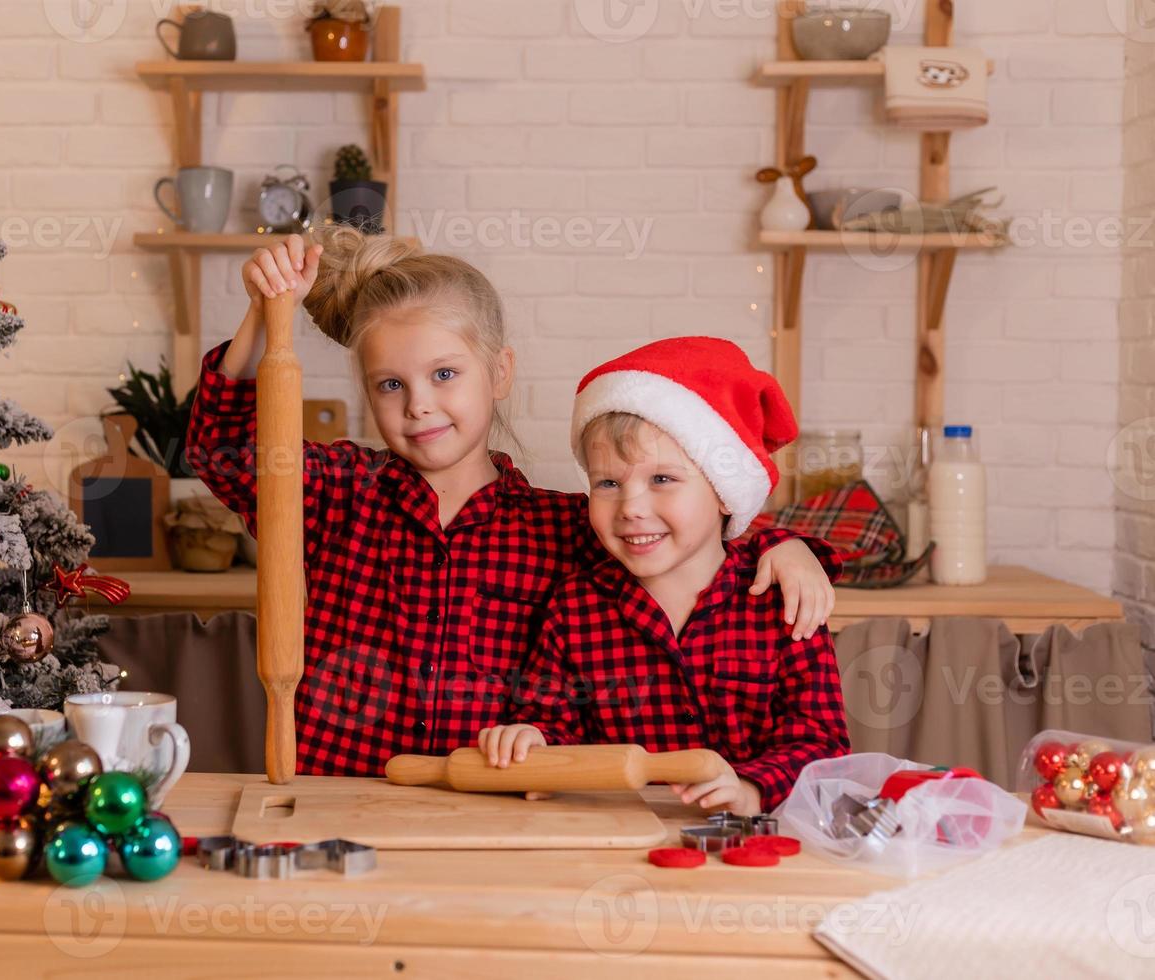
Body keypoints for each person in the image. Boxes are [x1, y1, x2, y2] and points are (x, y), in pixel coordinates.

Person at [188, 232, 837, 777]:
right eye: (391, 384)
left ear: (498, 373)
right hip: (342, 795)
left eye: (445, 374)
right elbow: (220, 448)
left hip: (492, 804)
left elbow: (677, 543)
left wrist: (782, 544)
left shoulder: (562, 527)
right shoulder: (335, 493)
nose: (418, 404)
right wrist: (261, 315)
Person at [478, 337, 849, 814]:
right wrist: (532, 737)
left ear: (723, 492)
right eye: (608, 483)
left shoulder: (780, 602)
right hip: (620, 838)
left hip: (754, 844)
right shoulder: (576, 607)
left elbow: (821, 740)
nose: (631, 508)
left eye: (662, 480)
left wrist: (751, 789)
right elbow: (549, 716)